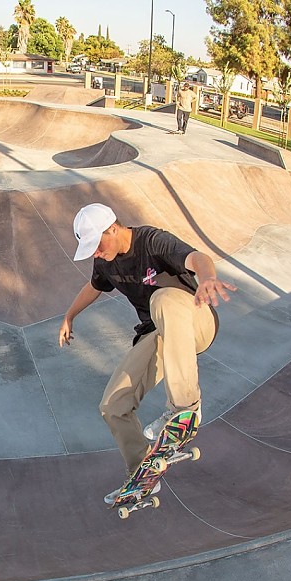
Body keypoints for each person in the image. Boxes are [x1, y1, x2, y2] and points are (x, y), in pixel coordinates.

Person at [58, 203, 236, 503]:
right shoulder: (105, 261)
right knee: (113, 405)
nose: (96, 254)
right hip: (158, 334)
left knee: (162, 298)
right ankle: (143, 474)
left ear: (112, 229)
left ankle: (185, 406)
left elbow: (197, 257)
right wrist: (69, 315)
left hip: (195, 320)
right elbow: (93, 286)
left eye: (97, 246)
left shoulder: (152, 242)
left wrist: (206, 278)